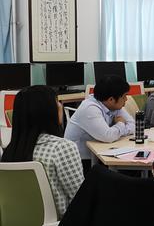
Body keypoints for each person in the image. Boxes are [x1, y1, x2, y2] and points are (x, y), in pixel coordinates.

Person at [1, 86, 84, 217]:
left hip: (16, 225)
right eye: (56, 101)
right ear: (47, 111)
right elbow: (80, 198)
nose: (60, 106)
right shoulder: (61, 148)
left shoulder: (10, 151)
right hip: (58, 225)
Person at [64, 75, 134, 169]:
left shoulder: (112, 105)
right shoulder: (90, 108)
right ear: (111, 99)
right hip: (80, 162)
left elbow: (133, 125)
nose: (126, 99)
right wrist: (120, 124)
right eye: (124, 96)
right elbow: (108, 136)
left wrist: (116, 132)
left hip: (102, 153)